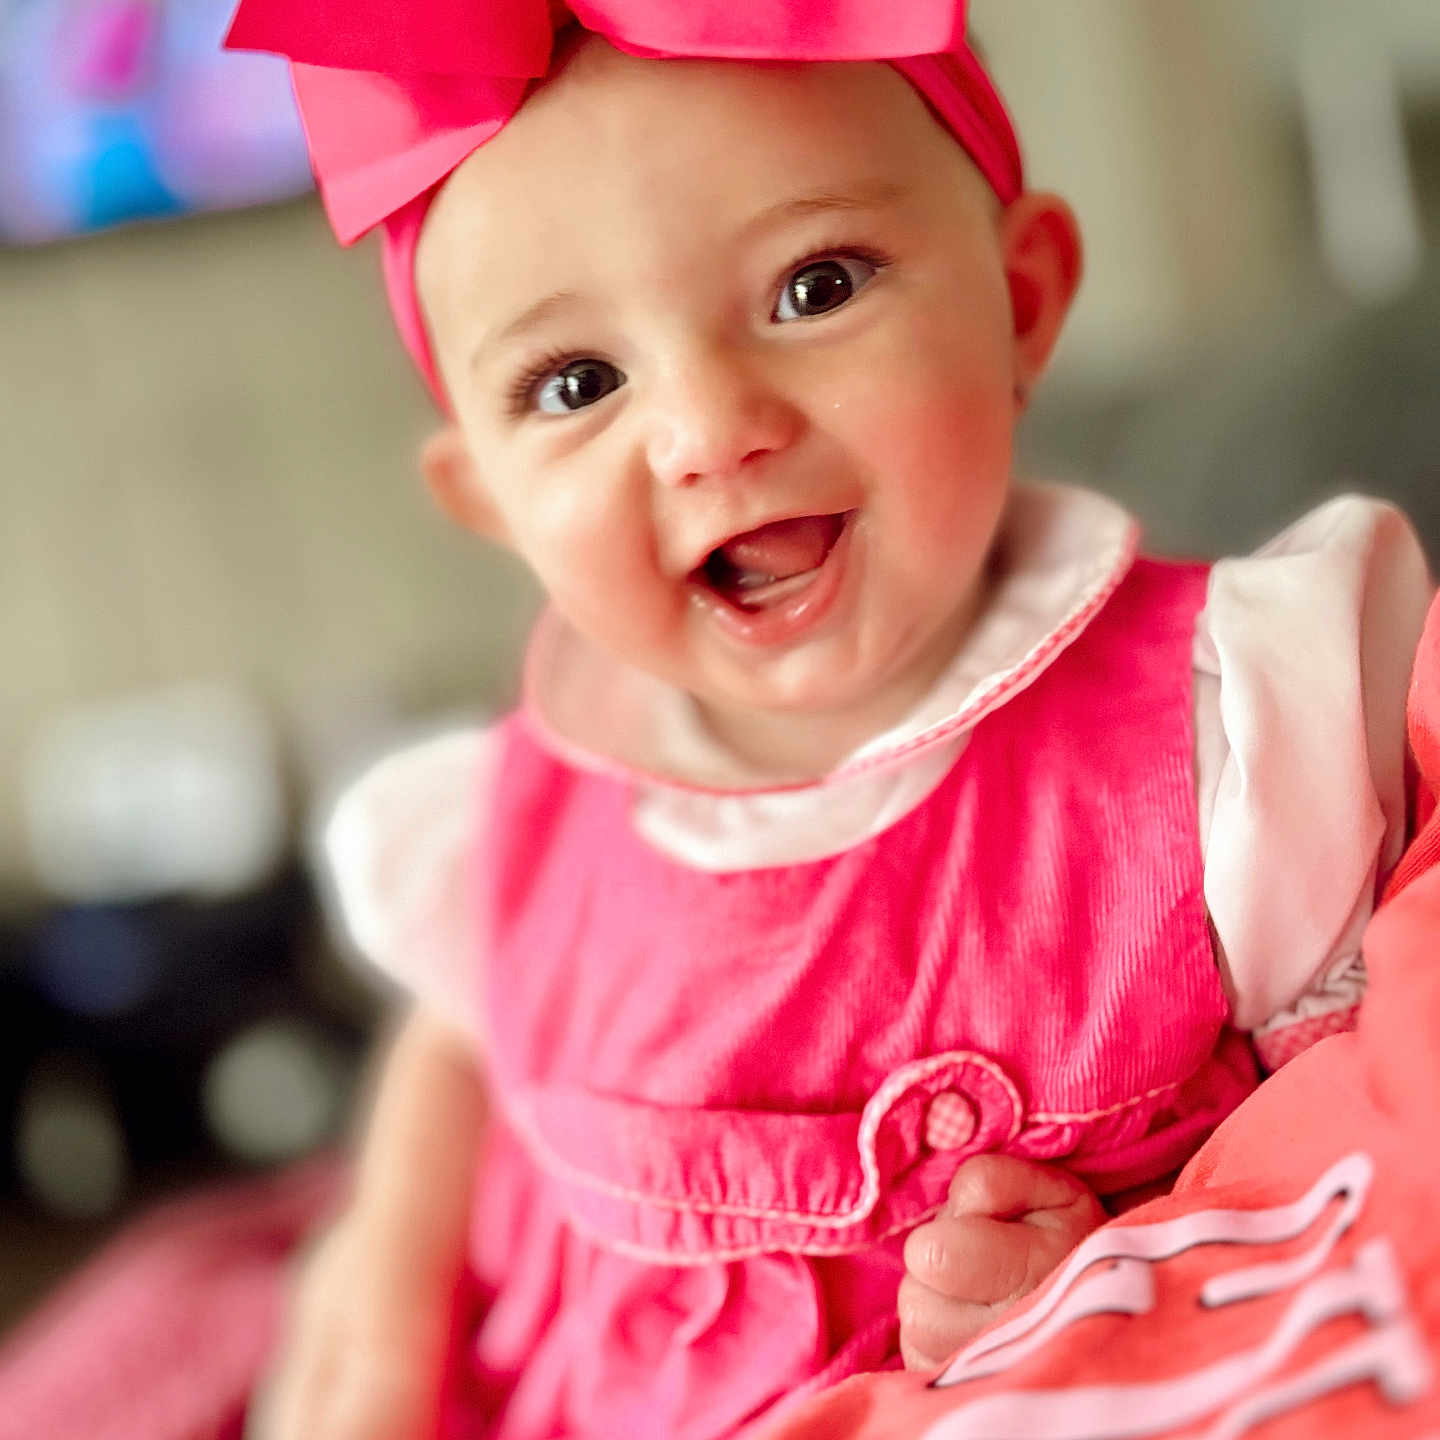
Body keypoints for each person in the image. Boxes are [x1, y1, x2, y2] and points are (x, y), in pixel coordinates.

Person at [224, 4, 1435, 1437]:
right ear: (489, 499)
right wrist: (381, 1291)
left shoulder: (1227, 734)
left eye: (815, 287)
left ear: (1021, 302)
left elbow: (1356, 1138)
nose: (708, 429)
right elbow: (460, 1039)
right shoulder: (505, 818)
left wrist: (1110, 1267)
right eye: (577, 384)